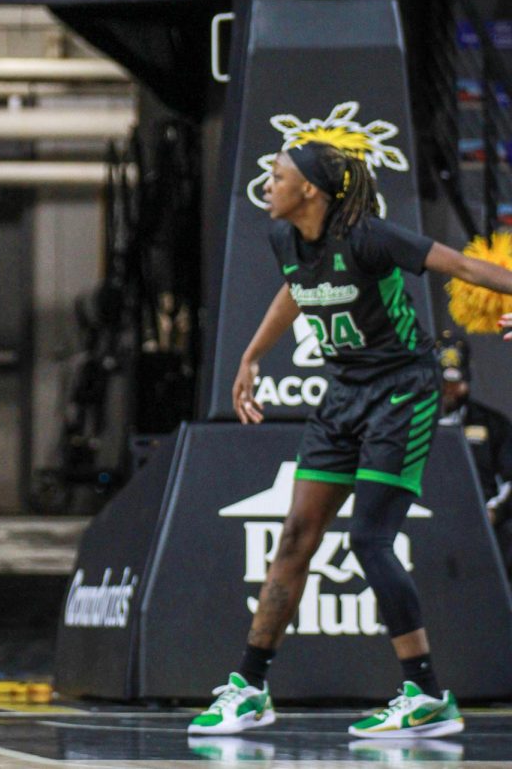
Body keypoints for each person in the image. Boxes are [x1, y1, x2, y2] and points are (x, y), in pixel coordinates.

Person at [190, 140, 512, 739]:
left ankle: (425, 696)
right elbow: (294, 289)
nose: (268, 182)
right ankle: (249, 689)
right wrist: (251, 356)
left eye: (277, 174)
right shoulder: (285, 239)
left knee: (369, 537)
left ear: (308, 190)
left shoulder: (371, 236)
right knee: (295, 536)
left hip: (401, 391)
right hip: (343, 394)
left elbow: (463, 267)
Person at [436, 330, 512, 578]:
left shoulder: (491, 424)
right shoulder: (411, 422)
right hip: (429, 523)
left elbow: (510, 480)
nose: (450, 390)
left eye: (456, 383)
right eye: (444, 383)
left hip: (484, 530)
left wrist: (490, 512)